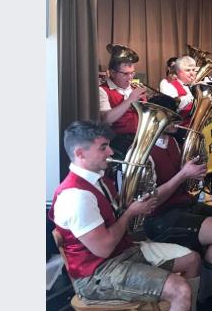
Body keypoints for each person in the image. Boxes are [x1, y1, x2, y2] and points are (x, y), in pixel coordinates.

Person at [50, 121, 200, 311]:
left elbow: (111, 219)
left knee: (192, 259)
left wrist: (133, 206)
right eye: (103, 148)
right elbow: (103, 248)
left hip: (122, 253)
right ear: (80, 154)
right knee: (179, 289)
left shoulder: (98, 179)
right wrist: (131, 212)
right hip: (98, 274)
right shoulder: (76, 196)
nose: (111, 152)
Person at [141, 96, 212, 311]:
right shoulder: (145, 152)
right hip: (161, 217)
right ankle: (206, 297)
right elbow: (150, 202)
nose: (178, 121)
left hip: (183, 205)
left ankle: (207, 282)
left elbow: (183, 182)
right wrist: (183, 175)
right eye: (172, 118)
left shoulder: (172, 141)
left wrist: (195, 174)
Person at [99, 47, 147, 158]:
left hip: (140, 139)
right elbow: (106, 119)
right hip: (118, 143)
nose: (130, 78)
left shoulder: (135, 88)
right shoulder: (102, 90)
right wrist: (130, 99)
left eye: (132, 73)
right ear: (112, 72)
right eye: (125, 74)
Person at [159, 56, 197, 126]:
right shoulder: (168, 84)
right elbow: (172, 107)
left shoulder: (194, 85)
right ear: (178, 72)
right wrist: (196, 95)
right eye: (188, 70)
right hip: (179, 128)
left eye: (193, 70)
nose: (192, 73)